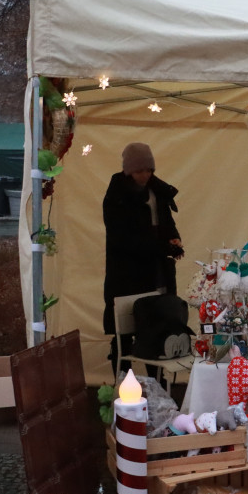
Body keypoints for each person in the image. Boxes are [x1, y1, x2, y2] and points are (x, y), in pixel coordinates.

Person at [102, 143, 183, 373]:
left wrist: (174, 239)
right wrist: (162, 246)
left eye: (149, 170)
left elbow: (167, 223)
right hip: (127, 276)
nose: (145, 175)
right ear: (128, 171)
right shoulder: (117, 196)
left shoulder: (158, 191)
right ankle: (122, 386)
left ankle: (156, 388)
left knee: (157, 331)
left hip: (158, 273)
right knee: (124, 334)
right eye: (140, 171)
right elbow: (123, 239)